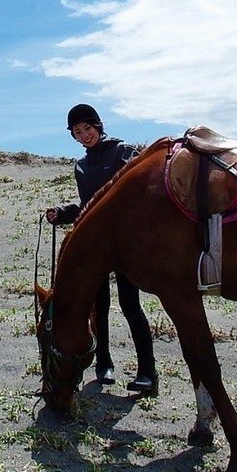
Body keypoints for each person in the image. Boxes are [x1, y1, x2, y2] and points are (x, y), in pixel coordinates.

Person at [45, 103, 158, 395]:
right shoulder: (81, 166)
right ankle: (103, 364)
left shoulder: (122, 152)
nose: (84, 136)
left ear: (98, 125)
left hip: (124, 245)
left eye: (87, 129)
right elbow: (87, 207)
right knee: (100, 308)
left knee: (130, 305)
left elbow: (138, 196)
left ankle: (147, 372)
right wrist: (63, 212)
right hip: (97, 247)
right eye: (77, 132)